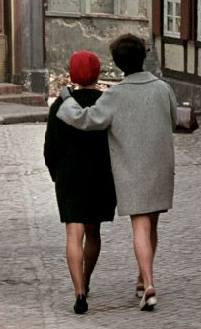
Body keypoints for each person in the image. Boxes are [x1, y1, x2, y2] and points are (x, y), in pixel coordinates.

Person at [57, 33, 176, 313]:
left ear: (119, 64)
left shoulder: (115, 95)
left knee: (140, 227)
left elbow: (87, 120)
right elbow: (174, 119)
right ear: (142, 57)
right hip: (160, 164)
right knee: (153, 225)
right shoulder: (162, 88)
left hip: (132, 167)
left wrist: (67, 100)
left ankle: (148, 284)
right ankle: (142, 279)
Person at [43, 49, 117, 315]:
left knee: (73, 235)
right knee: (93, 234)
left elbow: (49, 148)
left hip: (70, 176)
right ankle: (87, 281)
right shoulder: (106, 102)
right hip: (100, 176)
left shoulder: (61, 106)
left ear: (72, 73)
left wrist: (57, 175)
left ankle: (78, 292)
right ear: (97, 73)